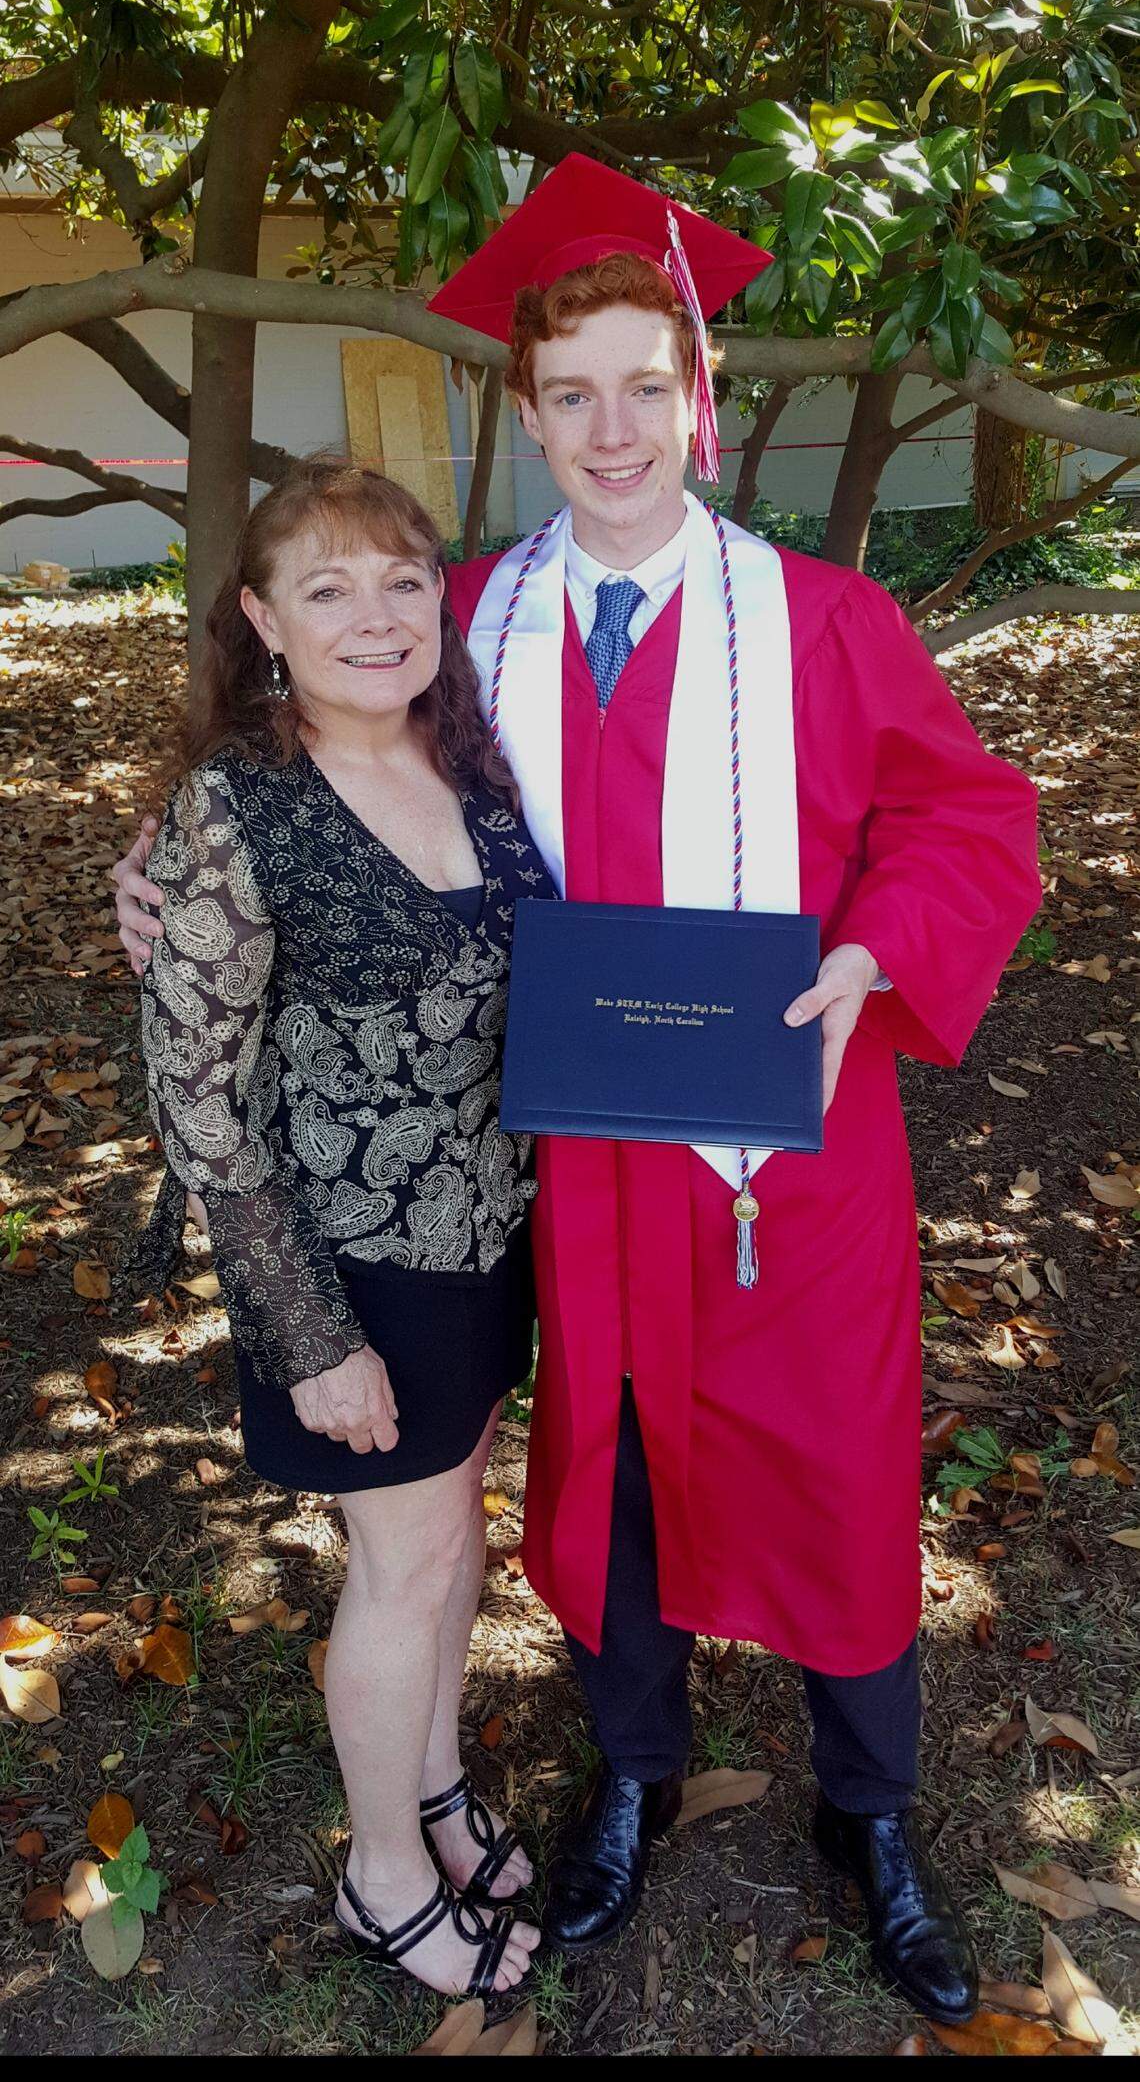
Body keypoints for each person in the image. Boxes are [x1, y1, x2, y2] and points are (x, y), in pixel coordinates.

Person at [118, 156, 1042, 2027]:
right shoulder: (466, 612)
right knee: (613, 1470)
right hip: (571, 1166)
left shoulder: (822, 622)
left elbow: (968, 814)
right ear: (524, 411)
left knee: (840, 1467)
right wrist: (158, 861)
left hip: (785, 1138)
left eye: (647, 384)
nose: (611, 427)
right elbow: (300, 749)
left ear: (700, 398)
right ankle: (631, 1771)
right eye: (570, 393)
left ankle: (870, 1812)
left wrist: (878, 950)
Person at [130, 456, 548, 1999]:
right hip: (355, 1266)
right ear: (262, 620)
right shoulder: (235, 815)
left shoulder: (478, 763)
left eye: (401, 580)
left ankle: (430, 1790)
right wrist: (307, 1334)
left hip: (493, 1236)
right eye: (327, 587)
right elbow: (197, 1102)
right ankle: (383, 1880)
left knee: (451, 1546)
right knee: (405, 1562)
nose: (374, 615)